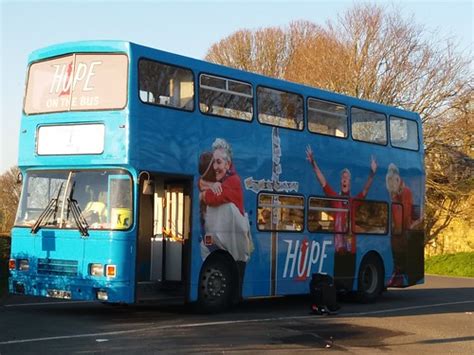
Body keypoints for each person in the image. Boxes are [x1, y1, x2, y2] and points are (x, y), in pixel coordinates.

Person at [306, 145, 377, 291]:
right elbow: (323, 181)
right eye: (343, 178)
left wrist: (372, 173)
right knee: (338, 282)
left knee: (349, 282)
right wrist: (313, 163)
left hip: (351, 250)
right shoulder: (335, 199)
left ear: (349, 182)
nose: (345, 180)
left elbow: (365, 190)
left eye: (347, 178)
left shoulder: (353, 202)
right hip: (339, 249)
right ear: (341, 182)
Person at [198, 138, 253, 294]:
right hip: (225, 244)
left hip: (236, 250)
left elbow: (213, 198)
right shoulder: (221, 180)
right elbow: (199, 182)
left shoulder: (234, 181)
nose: (215, 167)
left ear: (228, 165)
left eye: (219, 162)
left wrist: (204, 194)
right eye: (214, 163)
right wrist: (210, 186)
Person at [385, 163, 422, 286]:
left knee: (400, 256)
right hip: (399, 235)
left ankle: (400, 274)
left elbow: (404, 218)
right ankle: (398, 273)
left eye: (392, 183)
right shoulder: (396, 194)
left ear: (397, 179)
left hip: (402, 236)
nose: (391, 187)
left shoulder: (405, 193)